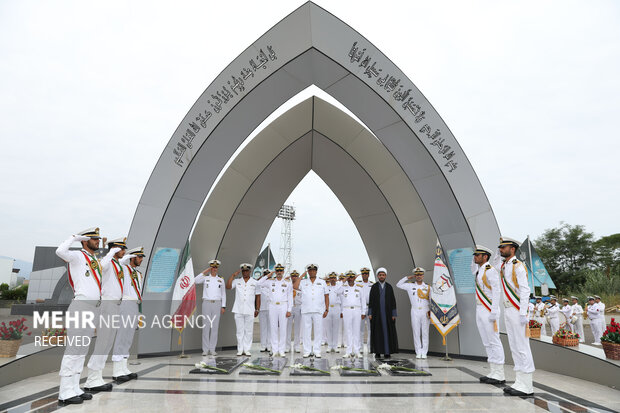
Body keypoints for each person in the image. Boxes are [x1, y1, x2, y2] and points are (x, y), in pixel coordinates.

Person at [55, 228, 103, 405]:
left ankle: (74, 387)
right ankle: (64, 392)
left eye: (98, 239)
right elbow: (60, 251)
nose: (98, 241)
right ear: (85, 240)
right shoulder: (77, 256)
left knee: (82, 351)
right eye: (94, 238)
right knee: (74, 349)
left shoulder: (94, 259)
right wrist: (74, 238)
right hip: (80, 306)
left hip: (92, 309)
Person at [84, 237, 127, 391]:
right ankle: (92, 379)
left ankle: (97, 376)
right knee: (103, 341)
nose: (124, 251)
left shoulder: (117, 264)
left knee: (108, 342)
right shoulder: (108, 262)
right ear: (114, 248)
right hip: (107, 304)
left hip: (115, 305)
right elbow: (101, 266)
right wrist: (110, 252)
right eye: (121, 248)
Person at [495, 237, 535, 396]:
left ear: (512, 249)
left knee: (522, 346)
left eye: (503, 247)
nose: (500, 249)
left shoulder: (518, 266)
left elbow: (525, 290)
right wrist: (497, 252)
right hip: (508, 309)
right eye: (500, 247)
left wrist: (523, 312)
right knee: (514, 345)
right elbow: (494, 263)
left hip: (517, 310)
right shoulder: (505, 265)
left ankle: (527, 385)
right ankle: (520, 381)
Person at [470, 245, 505, 384]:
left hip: (489, 308)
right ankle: (493, 371)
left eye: (477, 255)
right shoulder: (479, 270)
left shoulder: (491, 271)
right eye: (475, 255)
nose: (475, 257)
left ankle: (500, 373)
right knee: (486, 341)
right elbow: (472, 268)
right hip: (480, 309)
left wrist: (494, 311)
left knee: (494, 340)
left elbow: (497, 291)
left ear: (485, 256)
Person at [111, 246, 145, 381]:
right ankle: (116, 371)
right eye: (139, 257)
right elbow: (118, 264)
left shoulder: (138, 274)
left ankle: (123, 367)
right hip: (125, 303)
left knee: (129, 337)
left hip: (134, 305)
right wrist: (127, 256)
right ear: (132, 258)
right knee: (122, 335)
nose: (141, 259)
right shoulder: (124, 269)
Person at [293, 264, 328, 358]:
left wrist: (326, 309)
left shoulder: (322, 282)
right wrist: (301, 276)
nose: (312, 272)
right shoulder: (303, 282)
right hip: (306, 310)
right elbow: (295, 286)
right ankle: (307, 350)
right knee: (306, 332)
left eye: (313, 270)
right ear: (308, 271)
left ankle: (317, 351)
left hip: (318, 310)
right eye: (310, 270)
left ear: (316, 271)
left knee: (318, 331)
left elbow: (326, 295)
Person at [226, 263, 261, 356]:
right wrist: (233, 275)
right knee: (239, 331)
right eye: (243, 271)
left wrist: (257, 309)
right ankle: (240, 349)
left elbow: (258, 296)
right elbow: (228, 287)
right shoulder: (237, 281)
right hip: (238, 309)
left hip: (250, 309)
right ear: (241, 271)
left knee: (249, 331)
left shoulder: (255, 282)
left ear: (250, 271)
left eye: (246, 271)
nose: (245, 272)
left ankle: (247, 349)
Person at [396, 267, 430, 359]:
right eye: (417, 274)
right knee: (416, 331)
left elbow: (431, 300)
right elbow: (398, 284)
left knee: (425, 332)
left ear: (423, 275)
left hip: (425, 310)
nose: (419, 276)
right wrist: (408, 278)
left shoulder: (427, 287)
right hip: (415, 310)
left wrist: (431, 311)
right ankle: (418, 352)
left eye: (420, 274)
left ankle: (424, 352)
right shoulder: (410, 285)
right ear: (415, 275)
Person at [258, 264, 292, 357]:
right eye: (277, 271)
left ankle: (281, 350)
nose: (279, 273)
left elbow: (290, 297)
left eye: (281, 271)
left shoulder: (288, 282)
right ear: (275, 272)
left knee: (283, 328)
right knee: (273, 328)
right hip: (272, 306)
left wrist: (289, 309)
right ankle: (274, 350)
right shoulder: (270, 281)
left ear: (283, 272)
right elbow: (259, 283)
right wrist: (268, 275)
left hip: (283, 306)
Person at [195, 259, 226, 356]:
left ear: (218, 268)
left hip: (217, 303)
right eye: (213, 267)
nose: (214, 269)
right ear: (210, 268)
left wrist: (223, 306)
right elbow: (195, 280)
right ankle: (205, 349)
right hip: (206, 303)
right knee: (206, 326)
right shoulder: (205, 278)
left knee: (215, 327)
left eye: (216, 267)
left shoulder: (221, 279)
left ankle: (212, 349)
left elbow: (223, 294)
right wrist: (206, 271)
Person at [367, 267, 398, 359]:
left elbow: (393, 301)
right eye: (380, 275)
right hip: (376, 314)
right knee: (377, 332)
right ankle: (377, 352)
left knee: (387, 332)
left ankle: (387, 352)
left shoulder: (389, 287)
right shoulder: (374, 287)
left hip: (388, 315)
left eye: (383, 275)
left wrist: (394, 314)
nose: (381, 276)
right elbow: (371, 301)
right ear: (377, 276)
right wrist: (370, 313)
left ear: (385, 276)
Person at [338, 270, 365, 358]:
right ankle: (348, 351)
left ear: (354, 278)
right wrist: (343, 281)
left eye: (352, 277)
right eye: (349, 277)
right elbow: (336, 292)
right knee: (348, 331)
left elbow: (363, 300)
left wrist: (363, 312)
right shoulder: (343, 287)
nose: (350, 279)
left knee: (356, 331)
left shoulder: (359, 287)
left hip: (357, 310)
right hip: (346, 310)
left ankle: (357, 351)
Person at [286, 270, 303, 352]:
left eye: (296, 276)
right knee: (288, 327)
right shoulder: (287, 284)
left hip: (298, 307)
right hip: (290, 307)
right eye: (293, 276)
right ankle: (287, 346)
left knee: (297, 328)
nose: (294, 277)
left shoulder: (301, 285)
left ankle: (297, 346)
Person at [325, 272, 341, 353]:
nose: (333, 279)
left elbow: (342, 298)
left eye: (334, 278)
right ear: (329, 279)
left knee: (336, 327)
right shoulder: (326, 287)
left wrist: (341, 310)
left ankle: (335, 345)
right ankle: (329, 345)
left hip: (337, 308)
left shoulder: (340, 287)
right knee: (328, 328)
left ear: (336, 278)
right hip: (328, 308)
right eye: (331, 278)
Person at [358, 267, 373, 351]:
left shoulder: (372, 284)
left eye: (366, 273)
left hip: (370, 307)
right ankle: (360, 347)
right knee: (361, 329)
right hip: (361, 308)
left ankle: (370, 347)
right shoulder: (358, 284)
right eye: (363, 273)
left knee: (370, 329)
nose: (365, 275)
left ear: (368, 275)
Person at [258, 269, 272, 352]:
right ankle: (263, 345)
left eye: (269, 274)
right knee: (263, 328)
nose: (267, 276)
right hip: (262, 308)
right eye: (266, 275)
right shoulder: (260, 284)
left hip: (271, 309)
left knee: (270, 328)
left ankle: (269, 345)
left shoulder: (273, 283)